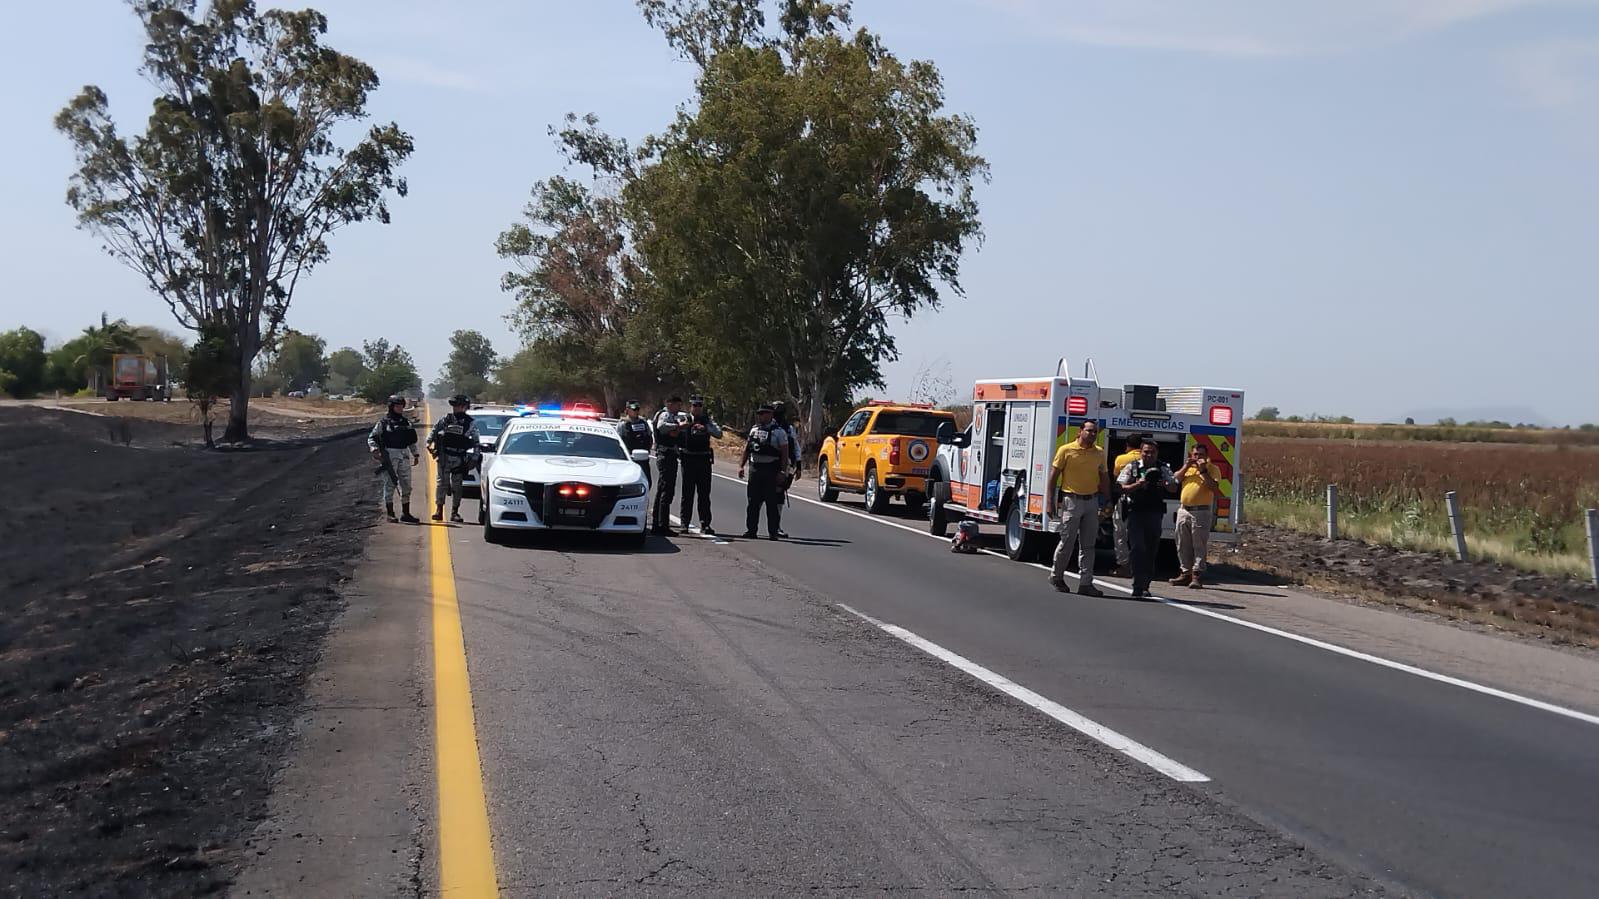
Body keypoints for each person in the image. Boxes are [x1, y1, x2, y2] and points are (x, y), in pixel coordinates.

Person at [1046, 420, 1111, 596]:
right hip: (1071, 500)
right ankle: (1057, 575)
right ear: (1080, 431)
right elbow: (1053, 477)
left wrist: (1107, 500)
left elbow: (1103, 477)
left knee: (1088, 545)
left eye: (1095, 432)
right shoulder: (1066, 450)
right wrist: (1050, 501)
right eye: (1089, 431)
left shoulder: (1098, 453)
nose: (1092, 434)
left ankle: (1086, 583)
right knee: (1067, 541)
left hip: (1091, 501)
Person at [1117, 438, 1177, 598]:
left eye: (1152, 452)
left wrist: (1164, 482)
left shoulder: (1163, 468)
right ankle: (1137, 584)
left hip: (1155, 513)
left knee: (1151, 550)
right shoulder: (1132, 467)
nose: (1149, 455)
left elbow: (1173, 487)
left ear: (1157, 453)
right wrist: (1138, 484)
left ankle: (1145, 585)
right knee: (1138, 548)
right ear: (1140, 452)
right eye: (1146, 452)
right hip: (1136, 512)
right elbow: (1120, 488)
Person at [1171, 443, 1223, 588]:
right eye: (1195, 454)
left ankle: (1197, 574)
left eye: (1200, 455)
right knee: (1182, 543)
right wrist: (1186, 466)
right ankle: (1185, 572)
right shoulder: (1189, 469)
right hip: (1184, 510)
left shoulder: (1212, 469)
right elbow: (1175, 479)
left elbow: (1214, 487)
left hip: (1200, 511)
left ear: (1206, 456)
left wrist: (1203, 471)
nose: (1197, 457)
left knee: (1198, 544)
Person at [738, 404, 790, 540]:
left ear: (770, 415)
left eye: (764, 414)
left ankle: (773, 532)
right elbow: (747, 448)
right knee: (752, 502)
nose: (761, 416)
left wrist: (783, 472)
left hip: (771, 470)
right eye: (759, 414)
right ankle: (751, 530)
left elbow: (784, 454)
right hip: (755, 469)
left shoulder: (779, 432)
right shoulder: (754, 430)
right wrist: (741, 466)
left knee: (771, 503)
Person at [427, 394, 481, 523]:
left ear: (465, 407)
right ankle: (439, 510)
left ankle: (455, 512)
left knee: (457, 486)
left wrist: (474, 458)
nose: (458, 408)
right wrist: (428, 444)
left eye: (461, 406)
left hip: (460, 458)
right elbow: (434, 432)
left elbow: (476, 442)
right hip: (444, 456)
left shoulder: (470, 423)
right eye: (456, 406)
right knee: (441, 484)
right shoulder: (446, 419)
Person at [367, 395, 421, 523]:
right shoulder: (383, 423)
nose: (400, 409)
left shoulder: (406, 422)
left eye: (402, 406)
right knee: (390, 484)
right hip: (390, 455)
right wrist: (374, 450)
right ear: (391, 407)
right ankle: (390, 514)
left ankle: (406, 513)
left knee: (407, 485)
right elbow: (372, 438)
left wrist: (416, 454)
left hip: (404, 454)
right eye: (397, 406)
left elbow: (411, 441)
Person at [679, 396, 723, 535]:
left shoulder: (707, 420)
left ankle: (705, 524)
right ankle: (684, 523)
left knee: (704, 494)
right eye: (694, 405)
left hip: (703, 459)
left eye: (699, 405)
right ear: (690, 406)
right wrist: (687, 425)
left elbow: (719, 434)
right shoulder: (684, 418)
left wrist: (706, 427)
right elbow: (675, 431)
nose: (697, 407)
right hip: (688, 459)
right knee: (687, 493)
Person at [651, 396, 690, 535]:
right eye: (677, 405)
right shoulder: (665, 415)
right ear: (670, 404)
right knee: (666, 490)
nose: (679, 408)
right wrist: (678, 426)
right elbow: (661, 427)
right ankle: (662, 525)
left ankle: (659, 524)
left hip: (671, 455)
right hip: (665, 455)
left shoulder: (674, 416)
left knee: (664, 489)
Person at [1110, 436, 1146, 576]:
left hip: (1125, 501)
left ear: (1127, 445)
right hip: (1145, 502)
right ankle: (1141, 566)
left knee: (1120, 533)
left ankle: (1124, 565)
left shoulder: (1121, 459)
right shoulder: (1149, 460)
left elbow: (1116, 480)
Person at [771, 400, 803, 538]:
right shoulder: (766, 426)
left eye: (781, 411)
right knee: (759, 495)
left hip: (785, 465)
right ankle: (752, 527)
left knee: (779, 495)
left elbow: (795, 446)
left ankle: (776, 526)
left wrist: (799, 465)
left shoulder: (789, 428)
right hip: (768, 465)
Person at [616, 400, 654, 484]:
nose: (636, 411)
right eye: (634, 409)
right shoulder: (622, 424)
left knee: (647, 481)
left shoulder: (643, 422)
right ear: (627, 410)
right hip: (630, 458)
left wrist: (647, 450)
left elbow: (649, 437)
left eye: (638, 409)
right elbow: (618, 442)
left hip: (643, 458)